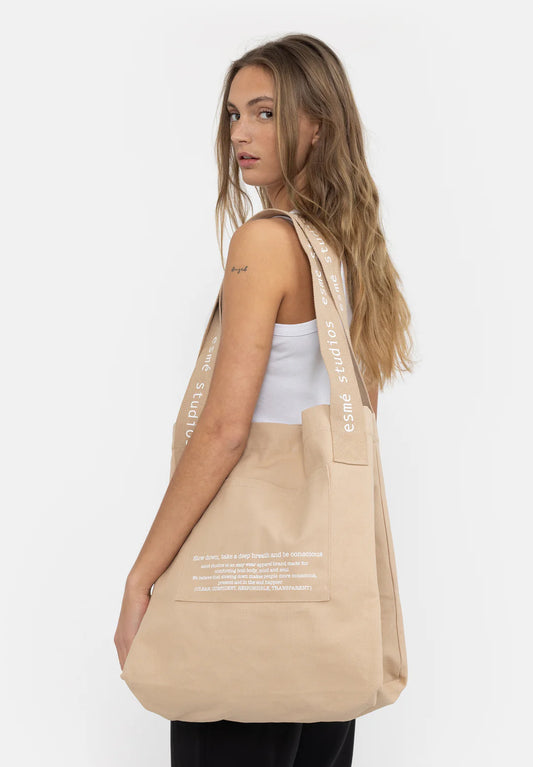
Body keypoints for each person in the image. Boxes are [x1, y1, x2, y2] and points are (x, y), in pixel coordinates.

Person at [114, 32, 414, 767]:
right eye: (232, 114)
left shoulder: (265, 241)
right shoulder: (351, 253)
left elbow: (224, 429)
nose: (240, 134)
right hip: (322, 633)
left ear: (317, 125)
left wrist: (141, 577)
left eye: (265, 112)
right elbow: (360, 419)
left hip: (243, 625)